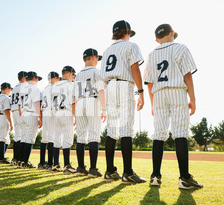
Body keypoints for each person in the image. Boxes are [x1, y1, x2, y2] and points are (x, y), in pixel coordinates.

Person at [143, 24, 203, 190]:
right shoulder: (181, 48)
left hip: (159, 94)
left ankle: (155, 176)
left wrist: (152, 102)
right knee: (180, 133)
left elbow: (149, 82)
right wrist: (193, 99)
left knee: (159, 134)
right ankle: (184, 178)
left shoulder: (151, 54)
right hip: (177, 91)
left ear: (157, 39)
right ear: (172, 33)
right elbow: (187, 75)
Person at [100, 20, 146, 183]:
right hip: (124, 84)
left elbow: (102, 77)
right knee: (126, 128)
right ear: (127, 31)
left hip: (109, 86)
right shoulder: (130, 46)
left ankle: (110, 171)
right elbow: (135, 69)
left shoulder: (106, 51)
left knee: (112, 129)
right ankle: (128, 172)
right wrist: (141, 92)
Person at [74, 48, 106, 177]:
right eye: (97, 58)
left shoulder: (78, 75)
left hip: (80, 102)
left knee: (81, 136)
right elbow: (101, 90)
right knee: (94, 135)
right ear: (93, 57)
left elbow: (74, 96)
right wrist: (104, 109)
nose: (98, 60)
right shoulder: (96, 72)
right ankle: (93, 168)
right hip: (92, 101)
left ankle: (81, 167)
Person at [51, 66, 76, 174]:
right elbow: (73, 102)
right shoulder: (71, 85)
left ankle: (55, 164)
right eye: (73, 75)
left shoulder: (55, 86)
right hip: (66, 112)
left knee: (57, 139)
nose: (73, 77)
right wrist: (75, 116)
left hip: (57, 113)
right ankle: (67, 166)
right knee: (67, 139)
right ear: (70, 73)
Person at [18, 71, 42, 168]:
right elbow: (37, 104)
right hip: (31, 114)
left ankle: (20, 161)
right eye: (37, 79)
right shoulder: (35, 89)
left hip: (23, 114)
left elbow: (19, 106)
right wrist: (39, 117)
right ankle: (25, 162)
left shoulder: (23, 89)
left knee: (23, 138)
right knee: (30, 139)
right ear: (34, 78)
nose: (38, 81)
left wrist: (21, 115)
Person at [39, 71, 60, 170]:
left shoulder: (44, 89)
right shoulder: (54, 88)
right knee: (52, 137)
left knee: (45, 137)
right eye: (58, 78)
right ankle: (50, 164)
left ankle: (42, 162)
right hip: (52, 111)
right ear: (54, 78)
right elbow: (55, 102)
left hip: (45, 111)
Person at [10, 71, 28, 165]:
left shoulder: (14, 88)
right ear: (24, 77)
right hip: (20, 110)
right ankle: (21, 159)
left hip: (14, 110)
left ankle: (15, 158)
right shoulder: (24, 86)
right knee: (24, 135)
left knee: (17, 135)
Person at [0, 83, 13, 164]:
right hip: (2, 117)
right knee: (3, 138)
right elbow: (7, 111)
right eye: (10, 89)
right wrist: (11, 123)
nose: (10, 91)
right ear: (7, 88)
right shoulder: (5, 98)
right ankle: (1, 158)